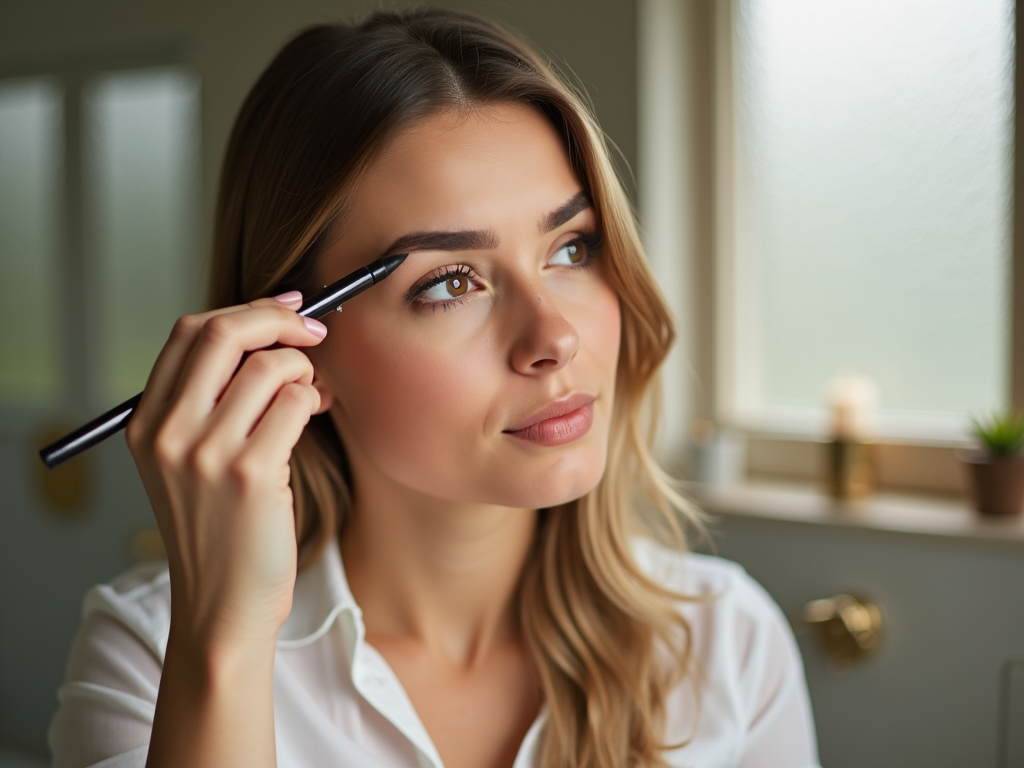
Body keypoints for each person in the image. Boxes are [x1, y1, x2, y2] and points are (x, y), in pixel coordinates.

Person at [48, 8, 820, 768]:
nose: (554, 340)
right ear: (294, 346)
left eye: (572, 247)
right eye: (451, 282)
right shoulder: (152, 661)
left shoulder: (726, 645)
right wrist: (225, 638)